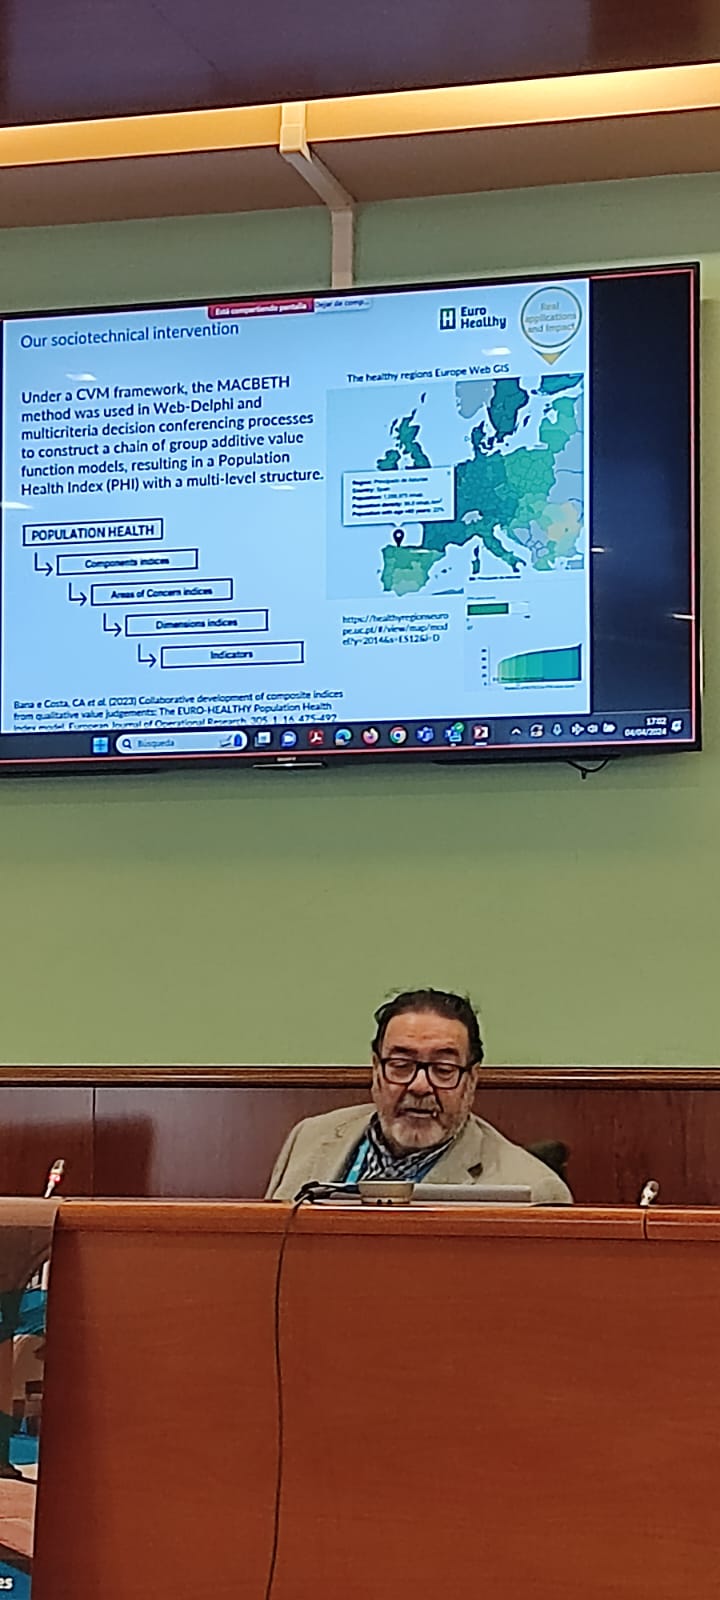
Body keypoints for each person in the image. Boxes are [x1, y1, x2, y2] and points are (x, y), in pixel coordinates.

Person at [266, 988, 572, 1204]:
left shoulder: (535, 1189)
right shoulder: (309, 1138)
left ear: (471, 1081)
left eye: (443, 1069)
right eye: (401, 1065)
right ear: (376, 1070)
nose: (420, 1086)